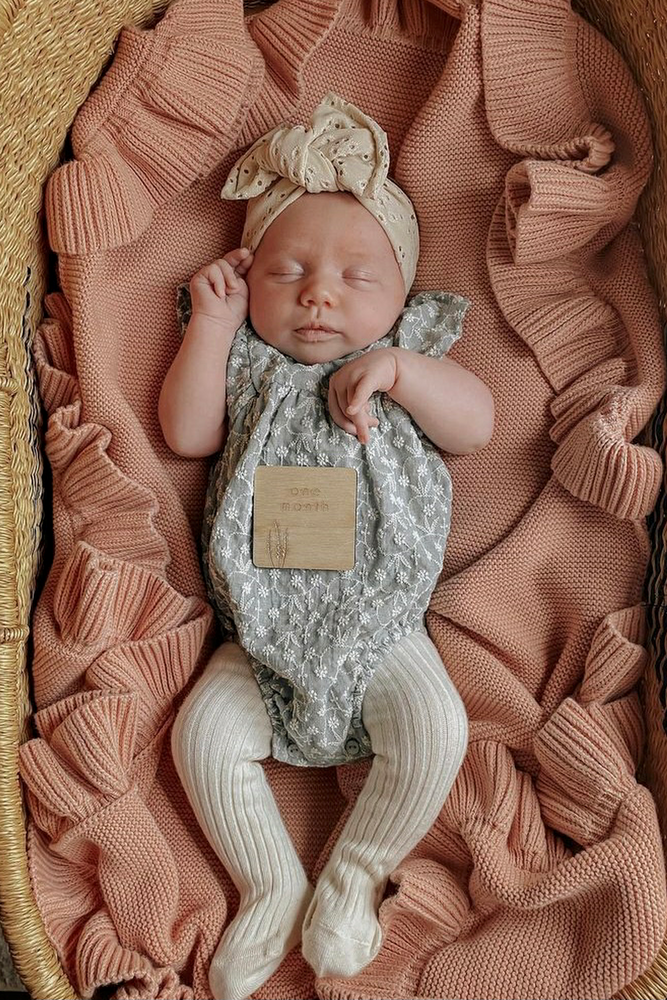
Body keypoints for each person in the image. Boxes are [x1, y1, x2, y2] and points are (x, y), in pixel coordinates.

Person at [160, 93, 494, 1000]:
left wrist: (400, 373)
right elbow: (187, 434)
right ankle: (269, 884)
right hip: (258, 635)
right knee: (201, 738)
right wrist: (213, 325)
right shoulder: (245, 360)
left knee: (436, 731)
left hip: (385, 631)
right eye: (289, 271)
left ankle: (350, 878)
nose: (318, 291)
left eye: (356, 276)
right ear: (248, 277)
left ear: (400, 297)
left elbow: (477, 424)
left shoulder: (406, 359)